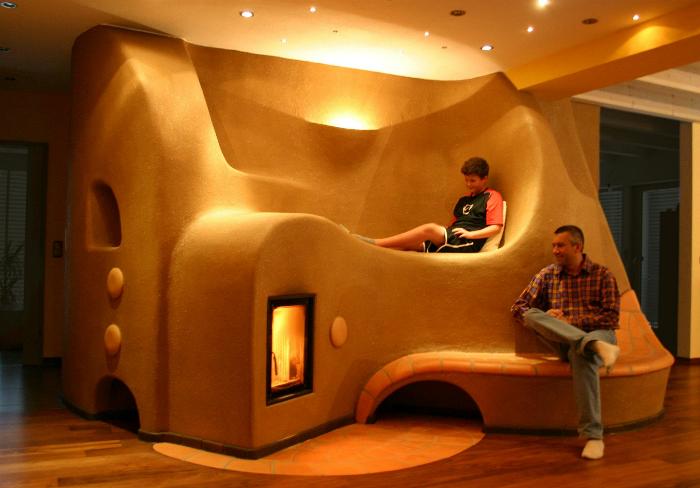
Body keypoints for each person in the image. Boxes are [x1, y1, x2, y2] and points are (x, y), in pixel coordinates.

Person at [511, 225, 621, 460]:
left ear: (577, 247)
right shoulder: (547, 275)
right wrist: (549, 316)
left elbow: (611, 318)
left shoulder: (603, 275)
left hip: (600, 335)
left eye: (560, 245)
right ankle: (588, 345)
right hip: (565, 340)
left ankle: (593, 437)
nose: (555, 250)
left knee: (582, 355)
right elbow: (518, 308)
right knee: (532, 315)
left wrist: (571, 321)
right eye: (554, 246)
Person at [354, 157, 503, 252]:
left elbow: (496, 227)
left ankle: (376, 243)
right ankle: (368, 250)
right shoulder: (463, 200)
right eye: (466, 180)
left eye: (473, 180)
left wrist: (471, 234)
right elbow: (451, 226)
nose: (468, 184)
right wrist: (443, 231)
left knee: (429, 229)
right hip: (452, 237)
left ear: (484, 179)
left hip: (468, 242)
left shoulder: (492, 196)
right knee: (409, 244)